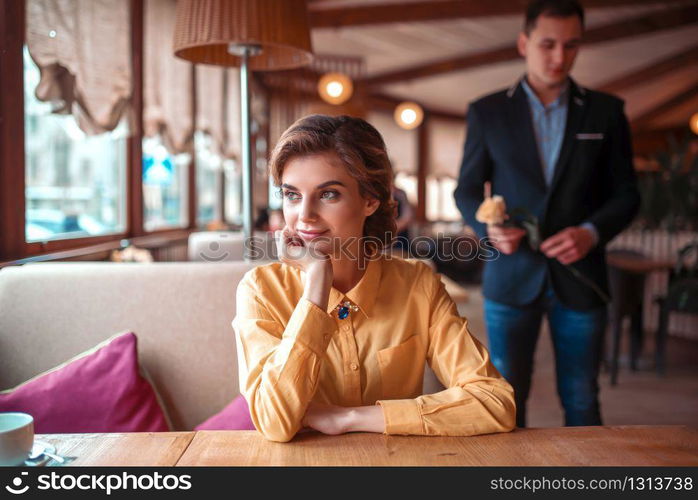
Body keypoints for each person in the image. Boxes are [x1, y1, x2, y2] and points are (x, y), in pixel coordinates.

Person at [233, 114, 515, 442]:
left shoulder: (417, 284)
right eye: (292, 195)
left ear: (370, 200)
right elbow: (274, 422)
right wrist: (316, 283)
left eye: (328, 195)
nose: (305, 215)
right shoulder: (261, 290)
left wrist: (350, 418)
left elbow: (495, 402)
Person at [454, 0, 640, 428]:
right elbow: (466, 188)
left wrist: (592, 233)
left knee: (581, 397)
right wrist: (487, 228)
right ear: (524, 43)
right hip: (510, 274)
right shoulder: (487, 111)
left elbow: (628, 194)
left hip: (581, 277)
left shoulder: (606, 112)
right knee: (505, 399)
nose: (560, 57)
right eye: (548, 44)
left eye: (571, 45)